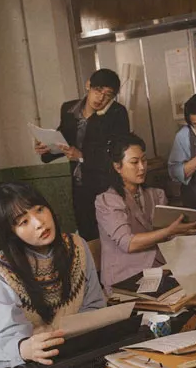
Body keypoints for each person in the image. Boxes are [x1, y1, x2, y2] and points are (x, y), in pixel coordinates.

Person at [0, 182, 106, 368]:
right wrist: (25, 348)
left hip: (58, 358)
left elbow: (94, 306)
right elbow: (0, 342)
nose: (39, 223)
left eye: (39, 209)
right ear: (10, 232)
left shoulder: (77, 246)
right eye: (23, 221)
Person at [34, 68, 130, 241]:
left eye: (108, 95)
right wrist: (46, 148)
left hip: (106, 186)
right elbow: (63, 140)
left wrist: (82, 156)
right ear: (88, 85)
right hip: (79, 185)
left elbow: (120, 154)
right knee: (87, 236)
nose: (101, 98)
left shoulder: (117, 113)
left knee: (113, 237)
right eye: (98, 90)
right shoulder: (69, 109)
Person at [96, 133, 196, 289]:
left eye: (144, 160)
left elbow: (168, 237)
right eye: (134, 162)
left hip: (159, 270)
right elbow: (128, 244)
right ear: (117, 167)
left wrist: (184, 231)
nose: (142, 167)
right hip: (124, 278)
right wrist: (169, 231)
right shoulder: (107, 201)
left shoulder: (156, 195)